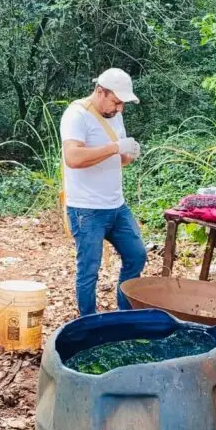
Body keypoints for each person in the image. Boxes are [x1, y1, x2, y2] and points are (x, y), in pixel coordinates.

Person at [60, 68, 147, 316]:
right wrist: (113, 147)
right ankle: (88, 321)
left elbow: (118, 159)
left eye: (122, 104)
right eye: (116, 102)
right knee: (89, 269)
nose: (119, 109)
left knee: (136, 256)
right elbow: (73, 157)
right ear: (100, 91)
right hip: (86, 209)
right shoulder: (76, 115)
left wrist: (128, 153)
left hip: (116, 205)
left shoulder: (115, 114)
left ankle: (123, 313)